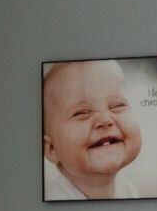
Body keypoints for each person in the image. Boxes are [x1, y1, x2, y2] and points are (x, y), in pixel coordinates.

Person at [43, 58, 145, 200]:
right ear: (52, 149)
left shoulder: (127, 190)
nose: (104, 120)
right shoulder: (56, 204)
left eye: (117, 105)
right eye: (81, 113)